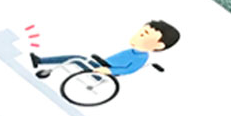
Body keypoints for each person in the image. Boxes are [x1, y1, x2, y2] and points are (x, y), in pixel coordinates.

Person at [32, 20, 180, 77]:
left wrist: (109, 71)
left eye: (145, 34)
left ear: (158, 45)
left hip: (104, 72)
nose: (138, 36)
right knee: (76, 58)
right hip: (102, 64)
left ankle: (43, 63)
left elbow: (128, 70)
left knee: (75, 58)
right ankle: (42, 62)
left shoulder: (141, 57)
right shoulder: (133, 52)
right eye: (141, 32)